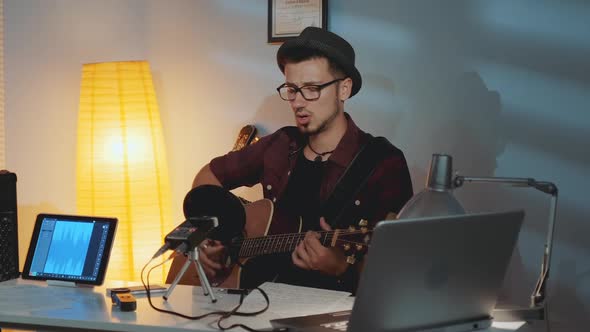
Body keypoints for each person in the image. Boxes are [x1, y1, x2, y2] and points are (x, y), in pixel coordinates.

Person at [172, 27, 413, 292]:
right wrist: (208, 238)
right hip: (258, 304)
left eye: (311, 89)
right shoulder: (279, 144)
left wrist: (343, 268)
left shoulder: (383, 163)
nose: (298, 102)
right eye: (292, 89)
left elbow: (399, 270)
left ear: (344, 89)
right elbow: (208, 178)